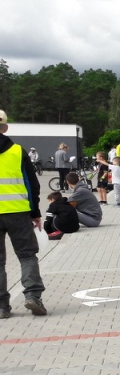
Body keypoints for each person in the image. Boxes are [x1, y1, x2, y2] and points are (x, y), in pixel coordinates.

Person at [0, 110, 47, 317]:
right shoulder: (18, 151)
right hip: (18, 212)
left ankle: (2, 306)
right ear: (6, 127)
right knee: (27, 255)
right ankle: (32, 296)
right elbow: (32, 185)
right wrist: (35, 212)